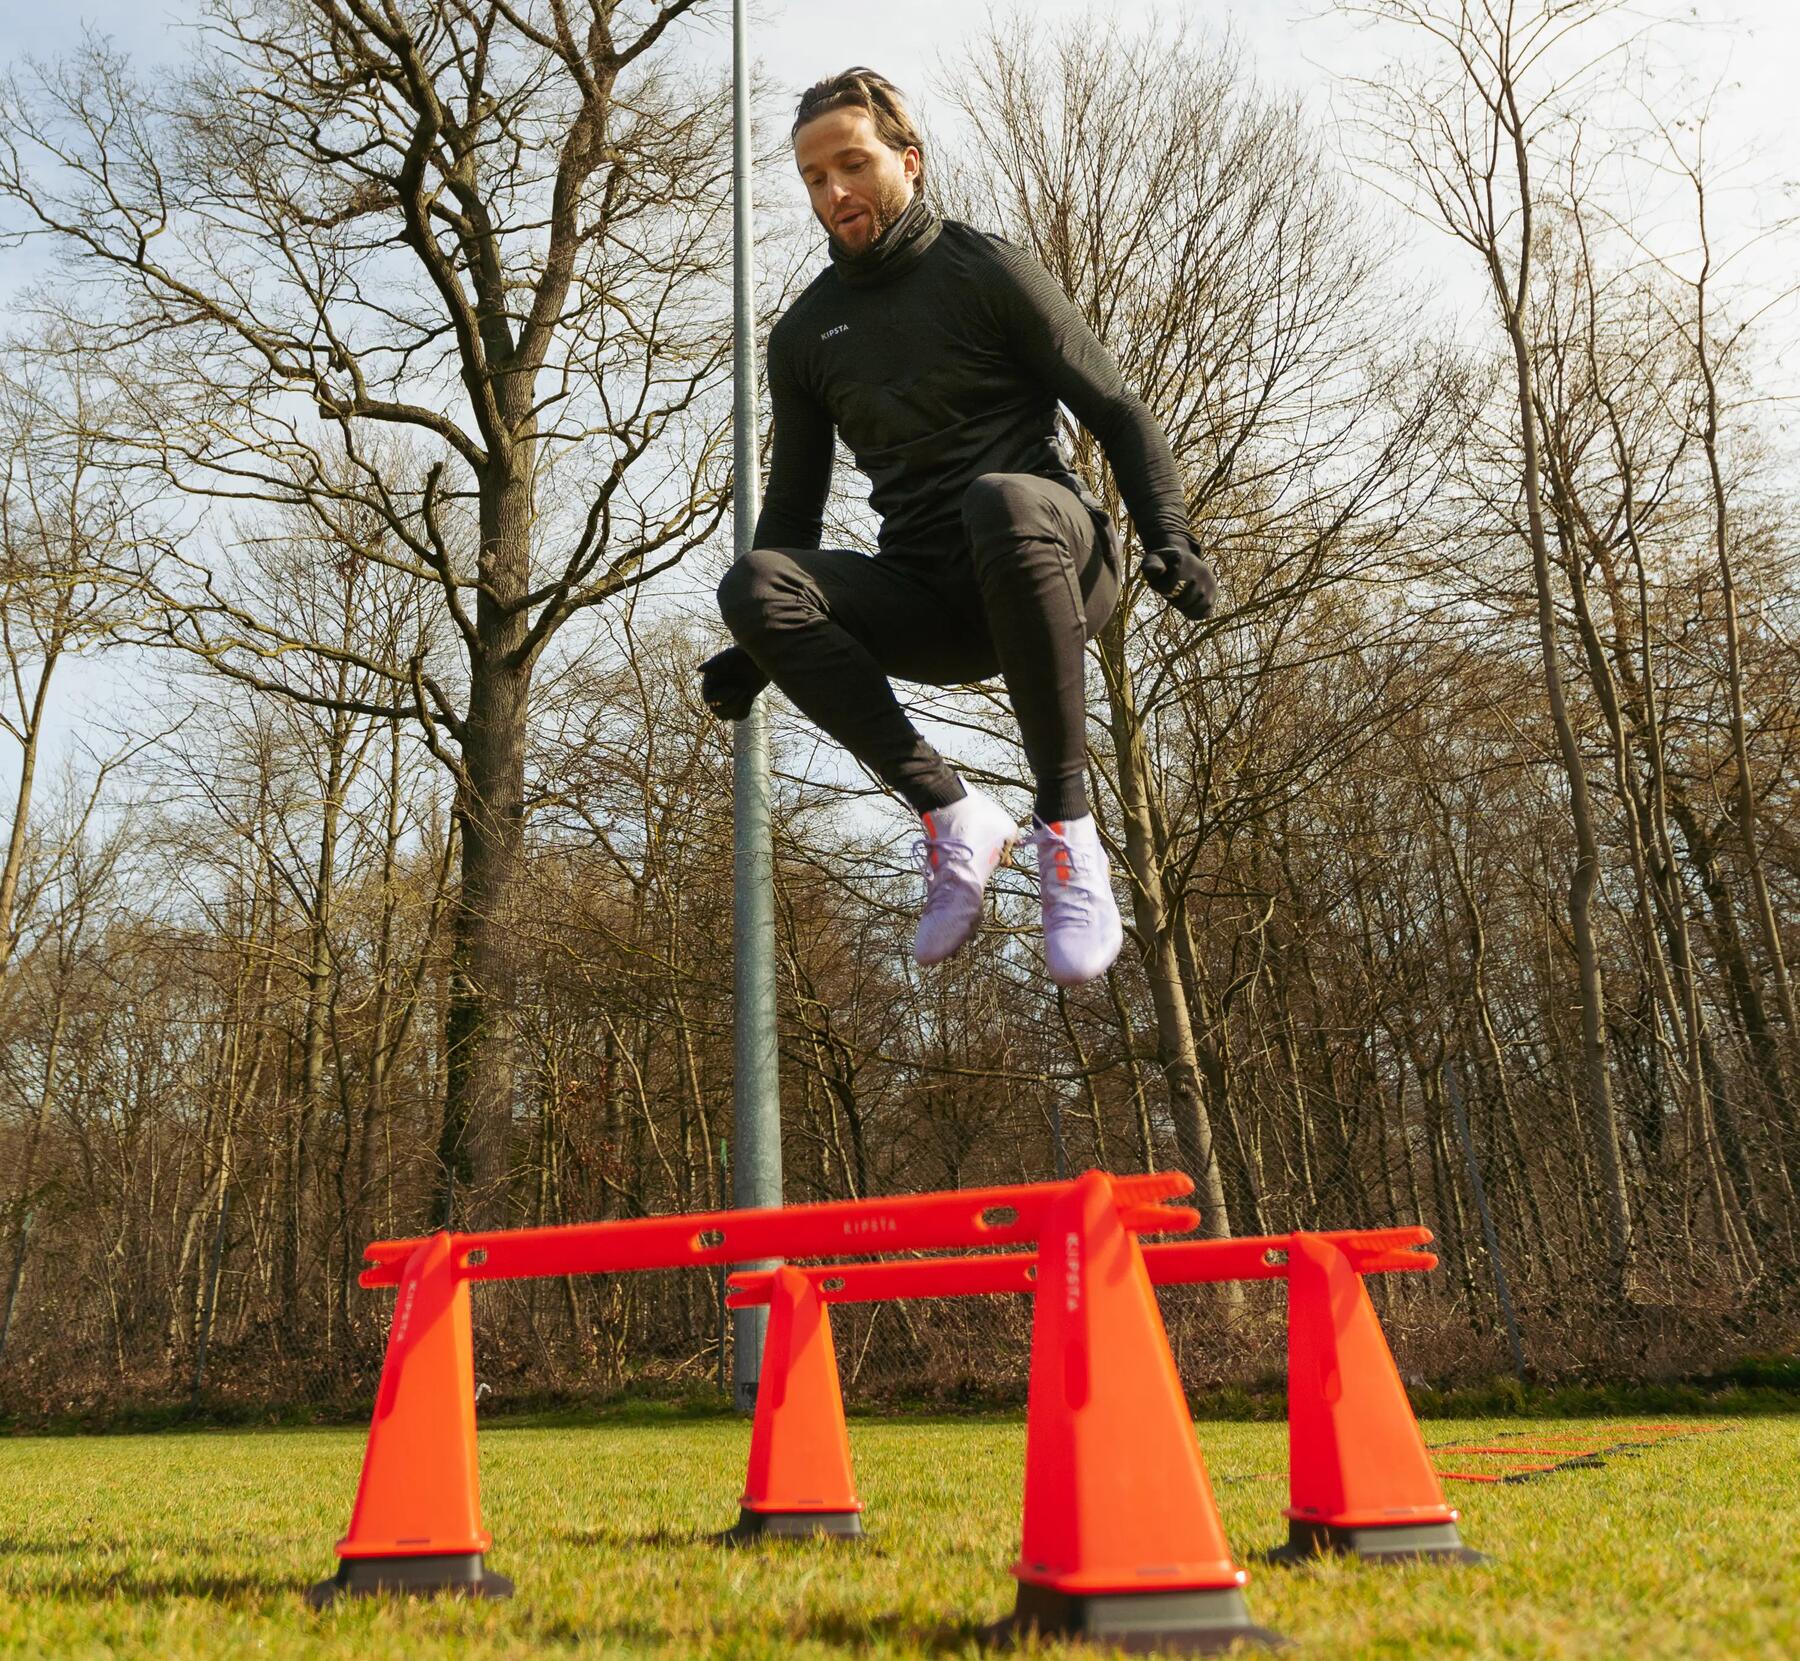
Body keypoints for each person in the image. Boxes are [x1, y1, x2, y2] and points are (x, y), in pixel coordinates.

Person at [703, 67, 1215, 986]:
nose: (835, 194)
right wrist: (760, 641)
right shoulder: (806, 337)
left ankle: (1069, 835)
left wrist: (1169, 535)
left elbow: (1121, 411)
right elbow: (791, 514)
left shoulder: (988, 271)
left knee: (999, 497)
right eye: (815, 179)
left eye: (852, 166)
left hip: (1055, 560)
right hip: (934, 601)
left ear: (910, 162)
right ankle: (952, 815)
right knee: (752, 580)